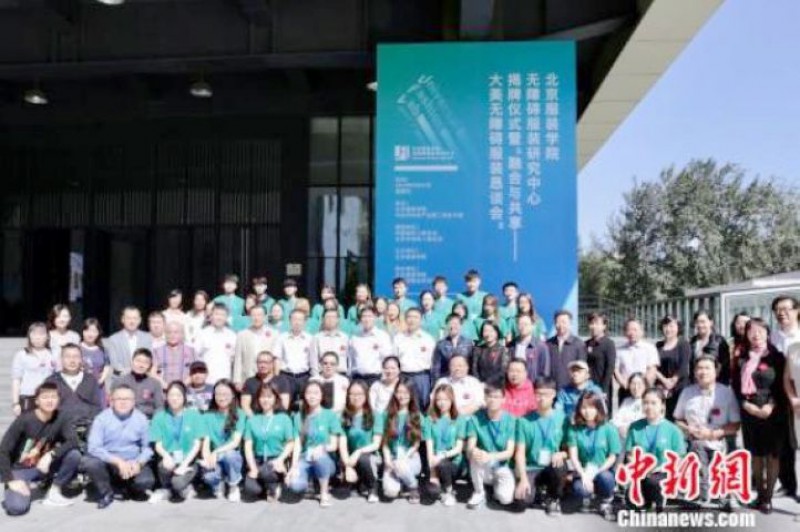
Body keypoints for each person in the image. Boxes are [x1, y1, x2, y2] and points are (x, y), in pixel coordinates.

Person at [0, 382, 82, 515]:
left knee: (74, 455)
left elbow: (73, 441)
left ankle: (54, 491)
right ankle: (21, 486)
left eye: (53, 397)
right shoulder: (24, 420)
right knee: (17, 508)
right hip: (20, 470)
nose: (50, 401)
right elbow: (3, 450)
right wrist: (10, 480)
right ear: (37, 401)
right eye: (45, 397)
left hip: (44, 466)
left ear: (58, 400)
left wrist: (51, 455)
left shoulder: (62, 417)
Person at [732, 318, 786, 514]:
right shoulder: (741, 358)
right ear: (746, 335)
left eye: (760, 331)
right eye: (751, 331)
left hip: (773, 412)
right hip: (749, 411)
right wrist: (746, 405)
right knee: (755, 454)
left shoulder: (776, 357)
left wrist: (770, 405)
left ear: (767, 333)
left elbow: (782, 386)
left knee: (772, 455)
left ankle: (768, 498)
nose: (756, 335)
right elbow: (735, 386)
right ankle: (760, 495)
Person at [674, 354, 741, 506]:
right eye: (699, 368)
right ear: (694, 372)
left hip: (720, 441)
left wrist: (712, 434)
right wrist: (689, 429)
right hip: (694, 442)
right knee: (696, 448)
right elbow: (677, 420)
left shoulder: (726, 392)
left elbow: (736, 424)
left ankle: (722, 492)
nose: (703, 372)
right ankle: (701, 492)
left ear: (716, 371)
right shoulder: (687, 392)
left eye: (707, 368)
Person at [85, 385, 156, 509]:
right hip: (109, 462)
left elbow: (147, 448)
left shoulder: (141, 419)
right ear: (111, 401)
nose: (123, 402)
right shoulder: (101, 419)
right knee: (91, 463)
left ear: (133, 402)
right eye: (119, 399)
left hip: (132, 462)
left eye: (127, 399)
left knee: (146, 481)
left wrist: (139, 463)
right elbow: (93, 447)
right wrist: (117, 461)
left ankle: (128, 488)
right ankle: (107, 493)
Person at [623, 388, 686, 512]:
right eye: (646, 403)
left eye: (653, 403)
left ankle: (662, 500)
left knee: (654, 482)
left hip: (663, 473)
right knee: (632, 500)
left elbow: (680, 458)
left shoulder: (673, 430)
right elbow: (630, 454)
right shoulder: (635, 427)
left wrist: (660, 468)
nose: (649, 407)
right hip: (642, 473)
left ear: (662, 406)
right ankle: (647, 502)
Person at [513, 377, 567, 515]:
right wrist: (523, 479)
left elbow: (569, 448)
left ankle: (553, 499)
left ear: (553, 394)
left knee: (560, 466)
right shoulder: (524, 421)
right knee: (520, 503)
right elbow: (520, 452)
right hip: (531, 467)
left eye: (546, 394)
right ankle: (536, 491)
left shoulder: (562, 418)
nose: (542, 398)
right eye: (538, 394)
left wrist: (561, 453)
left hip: (551, 466)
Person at [286, 381, 341, 507]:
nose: (312, 396)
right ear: (304, 395)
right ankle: (311, 483)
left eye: (316, 393)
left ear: (321, 395)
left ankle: (324, 492)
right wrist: (293, 467)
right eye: (309, 393)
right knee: (294, 485)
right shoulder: (299, 416)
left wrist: (322, 448)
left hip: (326, 461)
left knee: (320, 457)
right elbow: (298, 444)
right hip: (305, 458)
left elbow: (334, 445)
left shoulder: (330, 415)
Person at [148, 381, 205, 503]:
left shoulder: (194, 415)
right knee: (164, 466)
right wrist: (166, 456)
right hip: (169, 459)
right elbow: (158, 444)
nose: (174, 399)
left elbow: (197, 444)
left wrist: (184, 464)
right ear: (166, 397)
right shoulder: (159, 416)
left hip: (188, 460)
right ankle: (166, 489)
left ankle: (184, 487)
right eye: (171, 395)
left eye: (178, 395)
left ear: (184, 397)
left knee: (178, 483)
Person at [567, 392, 620, 516]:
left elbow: (613, 456)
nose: (587, 411)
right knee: (580, 490)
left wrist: (596, 472)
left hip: (602, 469)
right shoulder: (574, 429)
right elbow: (574, 457)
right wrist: (583, 475)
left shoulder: (609, 428)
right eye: (584, 407)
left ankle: (606, 499)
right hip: (584, 470)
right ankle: (587, 498)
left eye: (591, 407)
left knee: (606, 478)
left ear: (598, 408)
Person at [466, 380, 516, 509]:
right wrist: (474, 451)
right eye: (489, 396)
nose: (493, 400)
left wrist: (490, 456)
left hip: (502, 465)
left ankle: (494, 489)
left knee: (505, 499)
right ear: (485, 398)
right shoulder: (475, 418)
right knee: (475, 455)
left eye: (497, 397)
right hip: (483, 464)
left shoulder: (511, 420)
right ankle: (479, 492)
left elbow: (509, 452)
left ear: (503, 399)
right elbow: (470, 446)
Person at [243, 382, 295, 503]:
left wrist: (280, 459)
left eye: (269, 396)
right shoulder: (252, 420)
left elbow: (290, 443)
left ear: (275, 398)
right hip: (258, 459)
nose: (265, 400)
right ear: (258, 399)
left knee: (266, 471)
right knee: (251, 489)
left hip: (276, 459)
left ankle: (274, 487)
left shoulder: (284, 418)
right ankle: (266, 487)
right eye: (262, 396)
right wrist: (252, 467)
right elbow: (248, 446)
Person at [200, 379, 246, 502]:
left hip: (230, 455)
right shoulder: (207, 416)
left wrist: (216, 452)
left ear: (233, 395)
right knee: (208, 476)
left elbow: (235, 442)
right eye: (218, 394)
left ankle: (233, 485)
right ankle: (218, 482)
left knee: (230, 455)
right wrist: (207, 458)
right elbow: (206, 442)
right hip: (215, 458)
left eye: (225, 394)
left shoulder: (240, 414)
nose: (221, 397)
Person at [339, 380, 383, 503]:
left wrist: (358, 452)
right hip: (350, 458)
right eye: (352, 394)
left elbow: (376, 444)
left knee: (363, 459)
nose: (356, 397)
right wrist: (347, 465)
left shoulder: (375, 415)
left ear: (366, 395)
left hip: (370, 456)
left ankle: (373, 487)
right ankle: (358, 481)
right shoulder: (343, 416)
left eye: (359, 394)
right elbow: (342, 444)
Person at [381, 379, 423, 504]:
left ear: (411, 395)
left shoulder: (417, 415)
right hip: (392, 457)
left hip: (410, 457)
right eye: (399, 392)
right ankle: (402, 482)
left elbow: (416, 444)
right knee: (390, 492)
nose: (401, 396)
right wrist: (387, 459)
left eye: (405, 392)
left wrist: (404, 458)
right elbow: (385, 443)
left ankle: (413, 486)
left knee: (400, 465)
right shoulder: (387, 415)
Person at [424, 383, 466, 506]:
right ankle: (441, 485)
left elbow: (458, 448)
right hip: (435, 462)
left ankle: (449, 491)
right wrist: (433, 473)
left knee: (443, 465)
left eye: (446, 399)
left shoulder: (459, 419)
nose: (442, 403)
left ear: (452, 400)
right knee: (432, 492)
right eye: (438, 399)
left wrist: (442, 455)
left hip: (453, 462)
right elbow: (429, 447)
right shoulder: (429, 419)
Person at [44, 343, 103, 427]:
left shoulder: (90, 380)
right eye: (67, 356)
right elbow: (46, 409)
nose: (72, 360)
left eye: (76, 356)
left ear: (81, 359)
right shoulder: (52, 381)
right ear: (61, 359)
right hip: (60, 427)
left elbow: (97, 407)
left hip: (86, 426)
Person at [394, 308, 436, 411]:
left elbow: (433, 363)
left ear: (421, 320)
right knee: (404, 407)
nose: (412, 320)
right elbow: (394, 360)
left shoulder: (428, 339)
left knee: (423, 405)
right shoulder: (398, 338)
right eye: (409, 317)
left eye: (415, 317)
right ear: (405, 319)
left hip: (422, 377)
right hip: (404, 377)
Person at [12, 322, 56, 415]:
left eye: (41, 334)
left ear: (47, 336)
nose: (38, 337)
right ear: (29, 336)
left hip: (48, 397)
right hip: (28, 396)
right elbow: (16, 379)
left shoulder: (53, 354)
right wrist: (15, 403)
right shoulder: (22, 355)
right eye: (34, 334)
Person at [106, 306, 153, 390]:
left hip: (143, 382)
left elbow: (149, 360)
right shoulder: (113, 340)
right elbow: (115, 364)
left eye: (135, 318)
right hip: (121, 383)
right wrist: (133, 373)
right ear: (122, 319)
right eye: (129, 318)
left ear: (139, 320)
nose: (132, 321)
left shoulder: (148, 338)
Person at [274, 309, 314, 403]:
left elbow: (313, 360)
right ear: (290, 321)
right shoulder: (282, 338)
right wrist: (277, 379)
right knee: (284, 405)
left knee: (305, 405)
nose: (297, 322)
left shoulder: (310, 339)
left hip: (304, 377)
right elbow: (277, 359)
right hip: (286, 377)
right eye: (294, 319)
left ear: (304, 322)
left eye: (300, 319)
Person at [232, 304, 277, 388]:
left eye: (259, 315)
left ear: (265, 317)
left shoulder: (274, 334)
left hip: (268, 379)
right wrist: (237, 380)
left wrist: (276, 378)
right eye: (253, 315)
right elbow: (238, 359)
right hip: (248, 377)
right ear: (249, 317)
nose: (256, 318)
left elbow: (276, 359)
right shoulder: (242, 335)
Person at [655, 316, 691, 420]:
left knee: (679, 418)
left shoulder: (683, 344)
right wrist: (664, 381)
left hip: (680, 387)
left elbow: (683, 366)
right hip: (662, 387)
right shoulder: (658, 345)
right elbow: (653, 366)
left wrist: (672, 382)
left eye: (671, 326)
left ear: (678, 328)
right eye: (665, 326)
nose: (668, 329)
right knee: (663, 417)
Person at [615, 318, 659, 402]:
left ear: (642, 332)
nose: (632, 333)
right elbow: (616, 370)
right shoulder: (619, 350)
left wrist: (644, 386)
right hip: (625, 389)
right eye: (629, 330)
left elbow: (652, 369)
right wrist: (624, 384)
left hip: (644, 390)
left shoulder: (650, 348)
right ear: (625, 332)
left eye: (635, 330)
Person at [349, 306, 394, 388]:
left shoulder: (382, 336)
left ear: (375, 318)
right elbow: (351, 359)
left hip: (375, 378)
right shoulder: (355, 337)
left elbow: (387, 359)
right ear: (360, 319)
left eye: (369, 316)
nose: (367, 319)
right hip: (357, 378)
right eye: (364, 316)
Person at [196, 303, 237, 385]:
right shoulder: (202, 334)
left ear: (227, 318)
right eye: (216, 314)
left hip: (225, 381)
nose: (219, 317)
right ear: (211, 316)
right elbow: (195, 356)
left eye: (222, 315)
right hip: (206, 381)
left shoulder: (232, 336)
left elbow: (234, 360)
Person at [115, 348, 164, 419]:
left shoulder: (155, 384)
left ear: (149, 365)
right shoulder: (120, 381)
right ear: (132, 361)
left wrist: (154, 421)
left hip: (147, 420)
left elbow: (159, 407)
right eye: (138, 361)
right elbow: (114, 405)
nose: (141, 365)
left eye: (145, 362)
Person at [546, 310, 587, 389]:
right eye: (558, 322)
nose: (561, 325)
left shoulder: (578, 344)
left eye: (564, 322)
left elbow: (581, 368)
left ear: (570, 323)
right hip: (552, 388)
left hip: (571, 388)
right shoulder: (549, 343)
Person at [585, 312, 616, 414]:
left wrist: (604, 389)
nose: (593, 326)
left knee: (602, 414)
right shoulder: (586, 344)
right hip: (588, 386)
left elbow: (610, 367)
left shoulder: (609, 344)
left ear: (604, 326)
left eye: (597, 323)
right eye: (591, 323)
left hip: (602, 386)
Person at [690, 310, 731, 385]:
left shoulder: (719, 341)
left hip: (715, 384)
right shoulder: (693, 342)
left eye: (703, 322)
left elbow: (724, 364)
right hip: (696, 383)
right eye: (697, 322)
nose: (700, 325)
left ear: (711, 322)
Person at [152, 321, 196, 389]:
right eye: (169, 332)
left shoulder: (191, 351)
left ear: (182, 334)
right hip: (163, 390)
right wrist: (166, 387)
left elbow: (195, 372)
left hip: (186, 389)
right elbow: (152, 373)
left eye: (176, 332)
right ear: (165, 334)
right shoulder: (156, 351)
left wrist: (181, 386)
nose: (172, 335)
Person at [508, 314, 550, 383]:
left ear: (532, 326)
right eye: (520, 324)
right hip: (514, 385)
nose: (523, 327)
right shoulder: (511, 345)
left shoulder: (541, 346)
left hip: (533, 385)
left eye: (526, 324)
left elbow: (545, 371)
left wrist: (540, 386)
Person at [431, 313, 473, 382]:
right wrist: (436, 383)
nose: (453, 326)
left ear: (461, 325)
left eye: (456, 324)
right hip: (447, 380)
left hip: (464, 380)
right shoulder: (441, 344)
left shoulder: (468, 343)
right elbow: (436, 367)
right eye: (450, 324)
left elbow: (471, 364)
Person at [311, 308, 350, 375]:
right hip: (323, 375)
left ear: (338, 320)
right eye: (328, 317)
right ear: (323, 319)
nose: (330, 319)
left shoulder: (345, 338)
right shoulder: (317, 338)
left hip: (341, 375)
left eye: (333, 317)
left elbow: (349, 359)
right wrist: (316, 377)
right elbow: (313, 361)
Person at [80, 318, 110, 405]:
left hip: (98, 387)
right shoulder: (77, 348)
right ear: (83, 332)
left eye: (94, 331)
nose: (90, 334)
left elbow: (107, 365)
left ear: (98, 333)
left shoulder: (102, 349)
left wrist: (102, 379)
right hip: (81, 387)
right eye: (87, 330)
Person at [611, 373, 647, 442]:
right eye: (633, 384)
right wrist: (620, 426)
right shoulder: (626, 401)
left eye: (639, 384)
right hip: (624, 438)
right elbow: (616, 419)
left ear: (645, 385)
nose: (636, 387)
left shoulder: (648, 401)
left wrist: (629, 427)